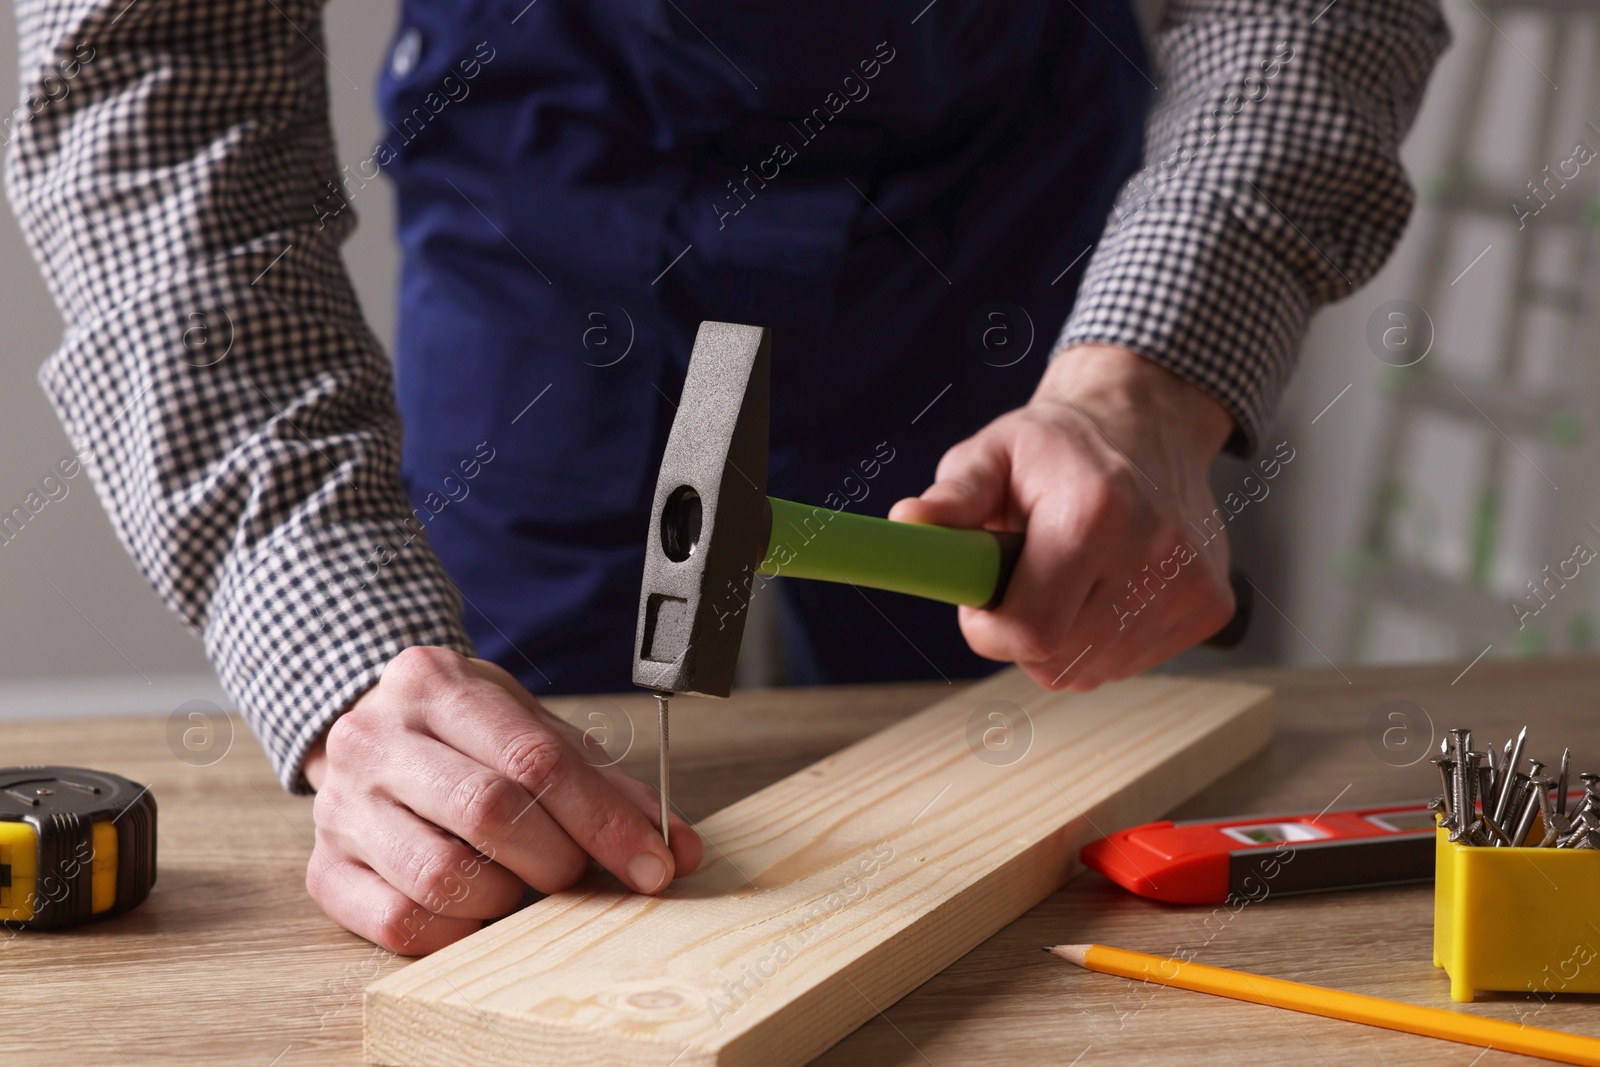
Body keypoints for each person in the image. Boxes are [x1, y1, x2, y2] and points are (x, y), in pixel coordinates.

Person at [6, 0, 1446, 953]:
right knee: (487, 837)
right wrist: (331, 630)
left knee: (1005, 845)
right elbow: (154, 75)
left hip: (998, 176)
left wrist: (1150, 370)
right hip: (549, 157)